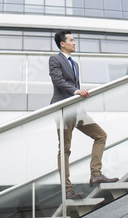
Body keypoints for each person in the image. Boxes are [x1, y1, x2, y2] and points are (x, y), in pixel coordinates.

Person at [49, 29, 118, 199]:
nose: (74, 42)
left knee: (100, 135)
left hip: (77, 111)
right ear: (62, 44)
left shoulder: (75, 64)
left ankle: (96, 174)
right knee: (65, 149)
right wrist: (76, 91)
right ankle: (67, 190)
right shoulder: (55, 59)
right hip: (63, 110)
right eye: (71, 40)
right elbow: (58, 81)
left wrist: (78, 97)